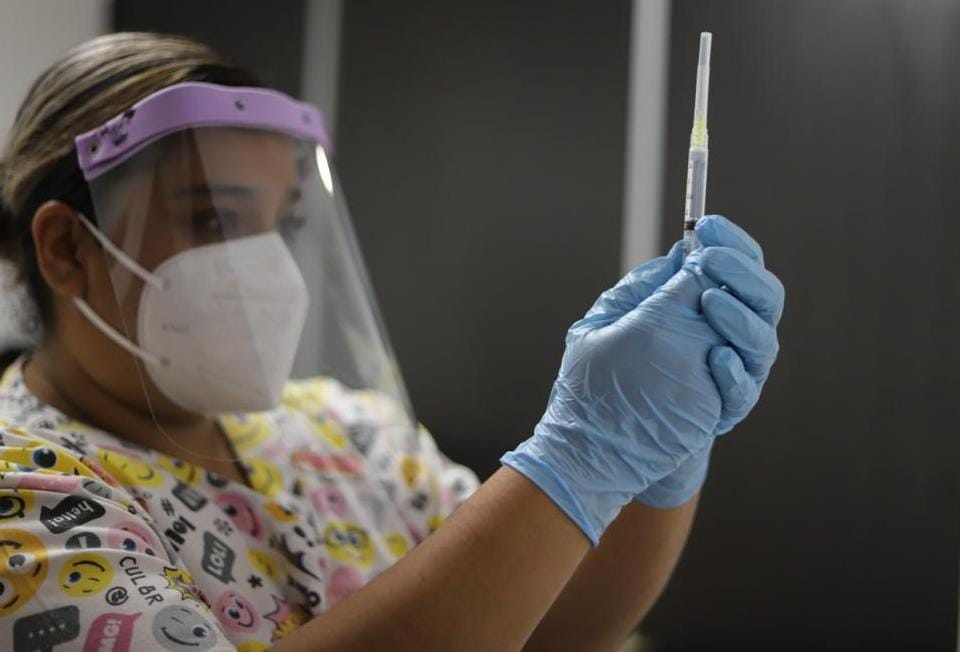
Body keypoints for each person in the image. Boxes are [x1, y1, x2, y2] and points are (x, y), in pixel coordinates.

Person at [0, 32, 783, 652]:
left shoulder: (346, 433)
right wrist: (583, 453)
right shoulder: (25, 496)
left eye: (284, 225)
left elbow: (546, 627)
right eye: (216, 218)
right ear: (67, 249)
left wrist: (652, 464)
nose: (270, 269)